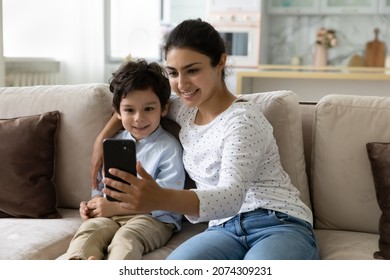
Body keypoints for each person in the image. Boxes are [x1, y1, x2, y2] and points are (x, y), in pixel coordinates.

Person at [91, 18, 320, 260]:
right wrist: (101, 140)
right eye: (173, 73)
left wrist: (159, 197)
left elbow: (230, 197)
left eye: (192, 70)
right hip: (222, 229)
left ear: (220, 62)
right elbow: (138, 104)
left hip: (277, 222)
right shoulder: (186, 109)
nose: (181, 84)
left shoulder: (243, 120)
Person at [66, 59, 185, 260]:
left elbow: (167, 201)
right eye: (129, 110)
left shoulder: (169, 148)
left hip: (154, 219)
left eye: (148, 109)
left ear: (163, 109)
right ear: (118, 113)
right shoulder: (111, 145)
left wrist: (114, 207)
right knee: (89, 232)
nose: (139, 118)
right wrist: (91, 206)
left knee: (126, 239)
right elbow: (100, 190)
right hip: (111, 214)